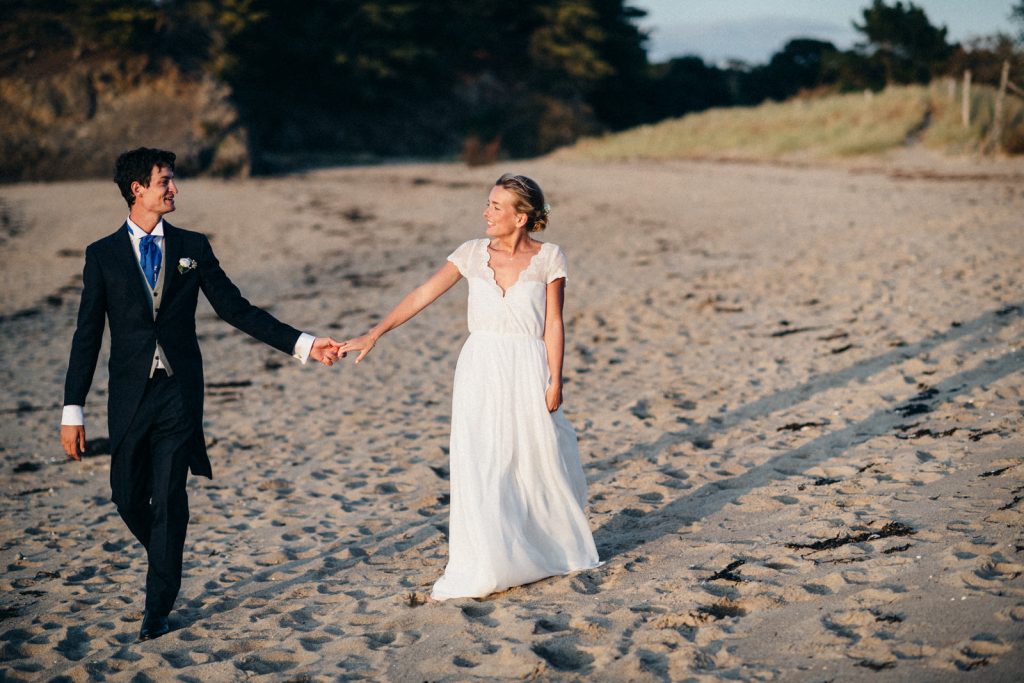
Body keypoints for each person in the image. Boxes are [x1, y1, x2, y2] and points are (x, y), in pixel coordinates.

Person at [60, 147, 342, 641]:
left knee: (169, 498)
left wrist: (304, 344)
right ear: (137, 190)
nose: (174, 189)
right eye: (164, 181)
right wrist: (72, 408)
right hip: (128, 397)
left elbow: (236, 309)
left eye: (173, 180)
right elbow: (87, 336)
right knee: (126, 496)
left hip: (179, 394)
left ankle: (158, 607)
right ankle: (167, 556)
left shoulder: (193, 245)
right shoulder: (101, 255)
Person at [339, 173, 600, 600]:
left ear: (521, 217)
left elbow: (554, 323)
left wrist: (556, 379)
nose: (486, 212)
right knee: (482, 461)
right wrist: (376, 332)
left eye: (497, 207)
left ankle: (545, 547)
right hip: (481, 367)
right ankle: (490, 559)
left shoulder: (551, 258)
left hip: (528, 366)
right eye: (488, 203)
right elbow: (423, 293)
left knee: (539, 458)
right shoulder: (471, 253)